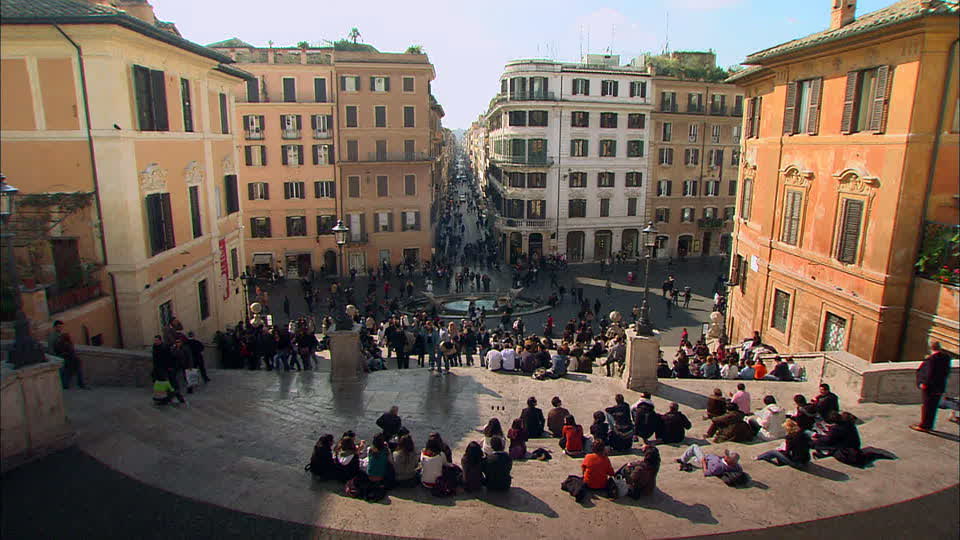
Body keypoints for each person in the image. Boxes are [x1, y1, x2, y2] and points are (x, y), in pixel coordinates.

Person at [912, 341, 952, 432]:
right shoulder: (946, 357)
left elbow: (929, 372)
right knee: (933, 407)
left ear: (931, 348)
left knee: (927, 406)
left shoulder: (932, 359)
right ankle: (928, 424)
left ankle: (925, 426)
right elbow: (946, 372)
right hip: (940, 386)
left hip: (930, 387)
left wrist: (924, 383)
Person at [677, 445, 742, 477]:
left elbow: (706, 473)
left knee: (694, 447)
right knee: (693, 454)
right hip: (709, 458)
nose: (725, 456)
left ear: (729, 460)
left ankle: (682, 460)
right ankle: (684, 459)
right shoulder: (736, 466)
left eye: (726, 456)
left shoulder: (719, 466)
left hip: (704, 461)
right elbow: (734, 465)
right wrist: (720, 457)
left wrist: (703, 463)